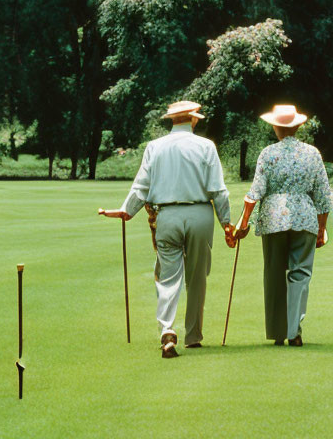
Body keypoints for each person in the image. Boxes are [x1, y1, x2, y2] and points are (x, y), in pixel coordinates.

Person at [100, 101, 233, 358]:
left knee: (168, 275)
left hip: (167, 215)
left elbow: (141, 186)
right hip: (200, 214)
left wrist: (127, 210)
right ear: (193, 120)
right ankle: (193, 335)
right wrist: (226, 223)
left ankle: (167, 330)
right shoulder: (206, 146)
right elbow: (218, 190)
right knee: (197, 277)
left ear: (171, 120)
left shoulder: (155, 147)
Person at [230, 104, 331, 346]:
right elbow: (324, 198)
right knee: (300, 274)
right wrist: (321, 228)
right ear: (297, 127)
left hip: (273, 218)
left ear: (276, 127)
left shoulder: (268, 153)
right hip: (304, 217)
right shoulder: (312, 153)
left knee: (274, 273)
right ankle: (294, 331)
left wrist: (243, 224)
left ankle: (277, 332)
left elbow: (255, 193)